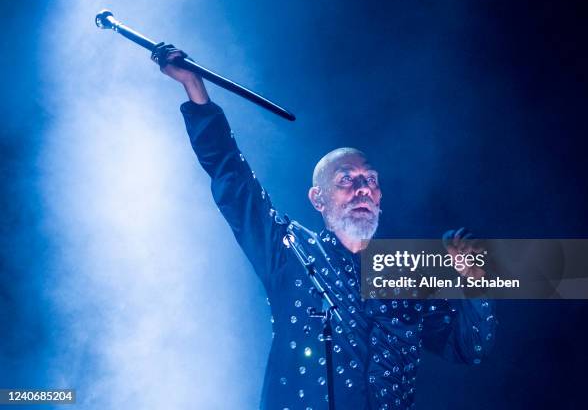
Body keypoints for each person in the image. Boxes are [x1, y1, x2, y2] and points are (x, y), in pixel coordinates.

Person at [151, 43, 496, 410]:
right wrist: (195, 89)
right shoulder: (290, 249)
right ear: (318, 199)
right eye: (347, 179)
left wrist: (476, 282)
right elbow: (231, 176)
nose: (363, 188)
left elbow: (469, 349)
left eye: (371, 180)